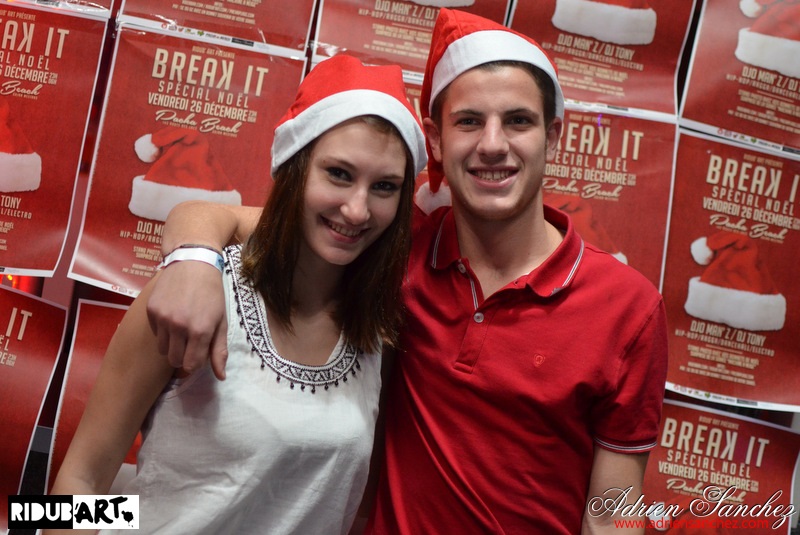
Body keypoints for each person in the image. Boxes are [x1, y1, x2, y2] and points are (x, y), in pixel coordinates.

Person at [146, 9, 668, 534]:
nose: (492, 144)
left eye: (518, 120)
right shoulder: (384, 250)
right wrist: (192, 258)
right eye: (469, 121)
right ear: (436, 141)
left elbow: (613, 518)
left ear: (552, 137)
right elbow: (92, 482)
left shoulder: (627, 306)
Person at [47, 54, 427, 535]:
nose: (357, 209)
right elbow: (81, 480)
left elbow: (357, 509)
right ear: (296, 169)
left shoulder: (377, 331)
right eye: (338, 173)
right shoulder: (197, 290)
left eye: (385, 186)